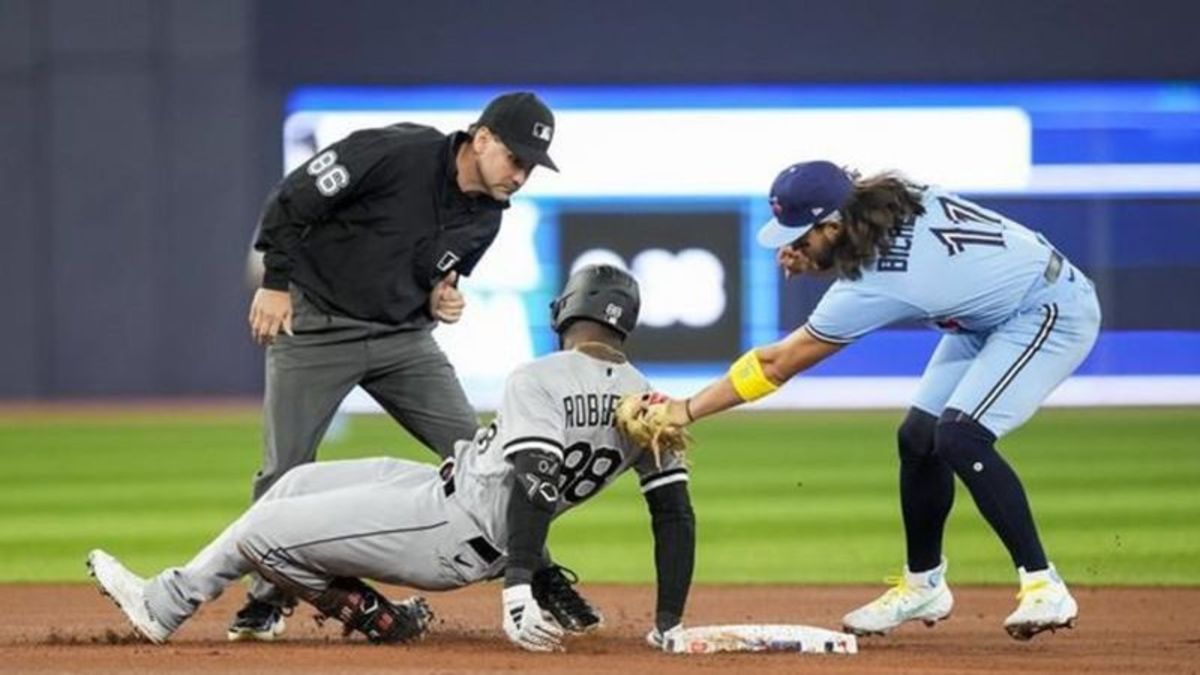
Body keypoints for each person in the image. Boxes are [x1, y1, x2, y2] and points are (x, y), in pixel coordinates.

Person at [87, 264, 697, 652]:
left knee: (263, 534)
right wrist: (668, 618)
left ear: (565, 310)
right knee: (293, 485)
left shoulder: (538, 375)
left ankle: (172, 605)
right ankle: (359, 615)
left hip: (455, 531)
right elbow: (674, 517)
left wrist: (517, 590)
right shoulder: (651, 402)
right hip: (445, 495)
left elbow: (535, 484)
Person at [645, 160, 1100, 641]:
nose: (790, 249)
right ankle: (924, 584)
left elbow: (778, 364)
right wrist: (818, 255)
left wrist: (685, 409)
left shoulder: (881, 281)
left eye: (800, 237)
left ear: (835, 224)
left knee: (961, 437)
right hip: (988, 313)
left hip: (1049, 310)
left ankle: (1042, 584)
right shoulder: (894, 197)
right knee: (920, 438)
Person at [235, 91, 602, 640]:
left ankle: (541, 576)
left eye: (531, 165)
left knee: (494, 457)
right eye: (515, 158)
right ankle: (269, 598)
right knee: (285, 472)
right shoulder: (394, 152)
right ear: (481, 139)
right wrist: (276, 283)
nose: (521, 175)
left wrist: (439, 296)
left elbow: (437, 274)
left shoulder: (488, 218)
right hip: (318, 329)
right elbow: (293, 198)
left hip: (403, 340)